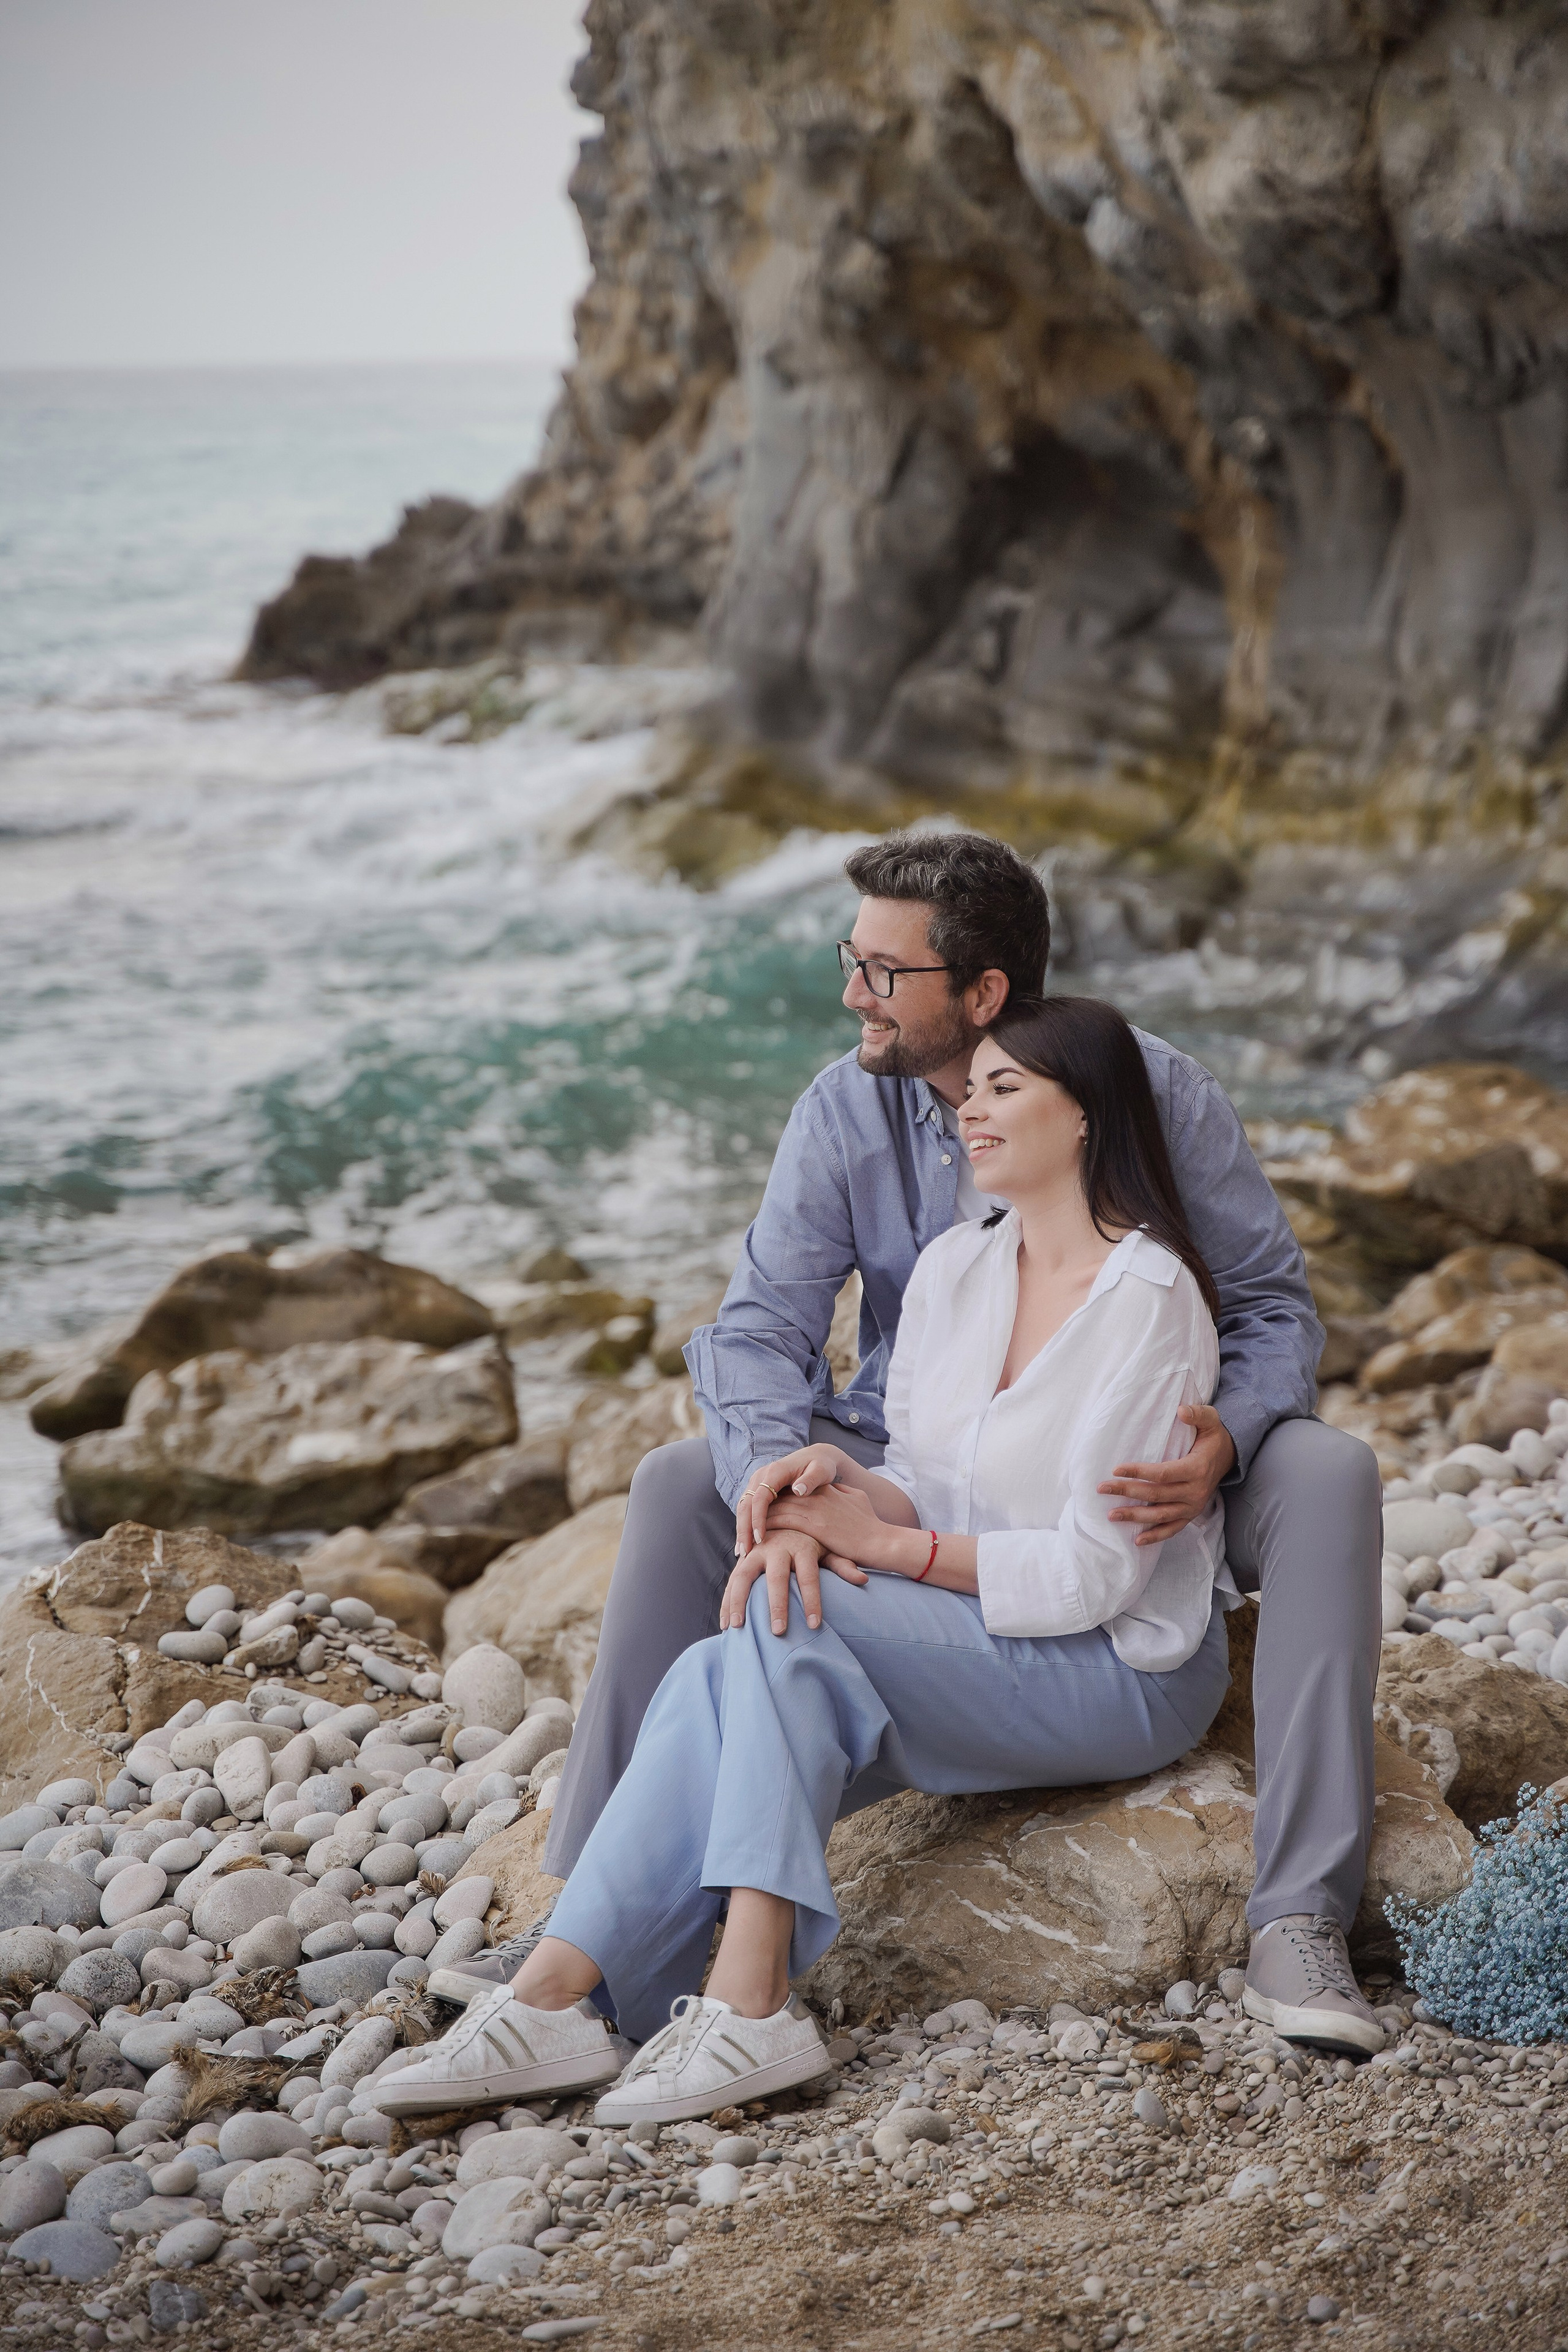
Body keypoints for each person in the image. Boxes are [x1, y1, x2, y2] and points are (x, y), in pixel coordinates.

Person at [426, 832, 1384, 2063]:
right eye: (851, 960)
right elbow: (760, 1330)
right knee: (683, 1485)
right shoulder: (843, 1107)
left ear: (981, 995)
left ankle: (1299, 1913)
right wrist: (777, 1473)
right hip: (920, 1446)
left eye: (883, 973)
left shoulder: (1155, 1096)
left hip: (1141, 1457)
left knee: (1329, 1472)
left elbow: (1266, 1306)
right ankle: (590, 1920)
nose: (851, 996)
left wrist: (1224, 1437)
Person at [379, 995, 1243, 2122]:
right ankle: (575, 1996)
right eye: (969, 1091)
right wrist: (829, 1490)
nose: (969, 1115)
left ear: (1085, 1118)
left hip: (1121, 1667)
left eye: (1004, 1091)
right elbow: (930, 1481)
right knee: (730, 1661)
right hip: (981, 1639)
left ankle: (730, 2004)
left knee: (786, 1623)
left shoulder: (1151, 1300)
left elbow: (1099, 1576)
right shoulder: (955, 1271)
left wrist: (884, 1545)